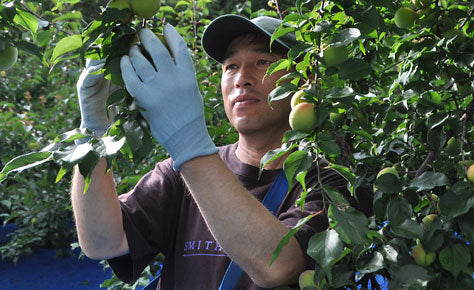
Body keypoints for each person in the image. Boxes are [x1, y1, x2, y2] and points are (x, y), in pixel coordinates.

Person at [71, 15, 371, 289]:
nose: (242, 77)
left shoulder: (331, 185)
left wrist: (187, 142)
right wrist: (92, 136)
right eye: (230, 66)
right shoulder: (178, 175)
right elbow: (103, 242)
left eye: (264, 61)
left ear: (303, 82)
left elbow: (278, 265)